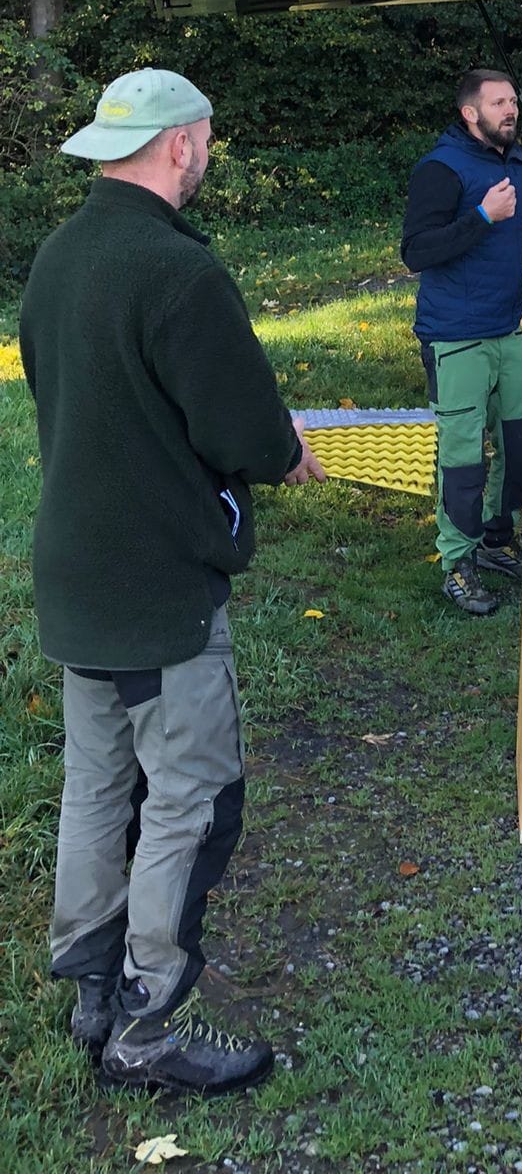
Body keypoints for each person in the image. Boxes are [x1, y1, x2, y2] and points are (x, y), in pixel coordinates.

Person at [19, 68, 325, 1095]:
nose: (206, 154)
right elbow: (241, 430)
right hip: (159, 590)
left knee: (98, 788)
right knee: (193, 802)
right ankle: (148, 1026)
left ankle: (92, 988)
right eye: (203, 138)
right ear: (177, 146)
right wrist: (284, 452)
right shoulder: (177, 272)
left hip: (76, 576)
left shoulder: (57, 260)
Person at [400, 68, 522, 615]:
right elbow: (416, 252)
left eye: (513, 102)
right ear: (469, 114)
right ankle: (458, 563)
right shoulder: (440, 169)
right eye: (499, 103)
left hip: (506, 330)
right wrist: (482, 216)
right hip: (455, 337)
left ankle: (497, 541)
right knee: (462, 461)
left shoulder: (515, 160)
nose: (511, 110)